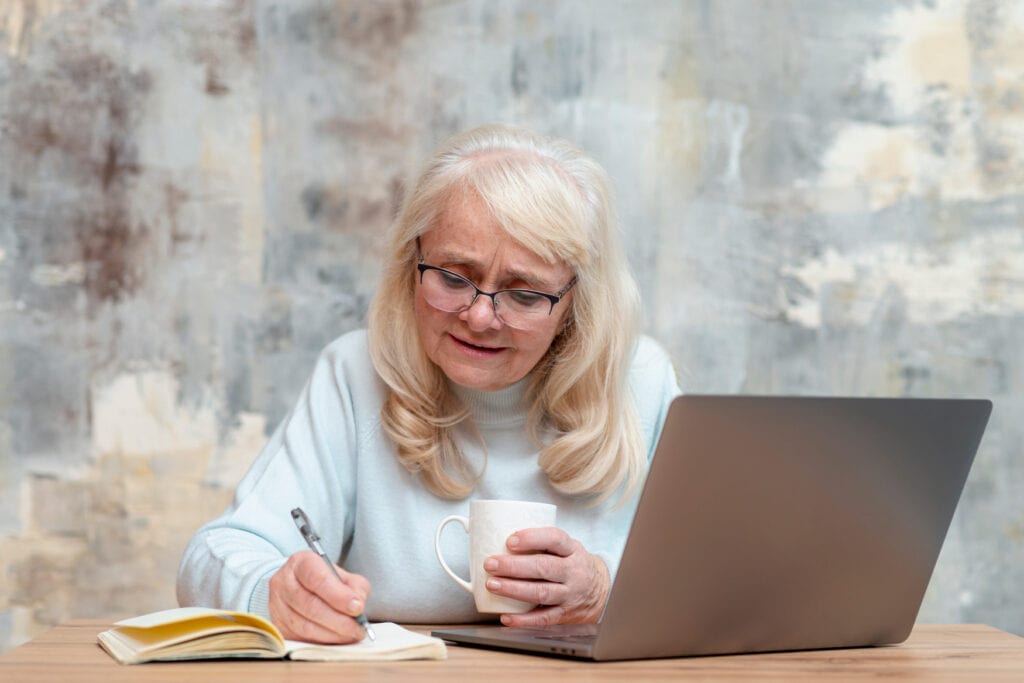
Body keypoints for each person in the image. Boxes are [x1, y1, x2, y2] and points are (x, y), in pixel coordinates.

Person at [176, 124, 681, 644]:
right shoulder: (355, 373)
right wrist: (271, 593)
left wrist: (607, 591)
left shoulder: (641, 380)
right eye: (453, 278)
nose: (481, 317)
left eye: (525, 295)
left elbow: (727, 578)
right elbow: (213, 554)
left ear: (577, 300)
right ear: (411, 261)